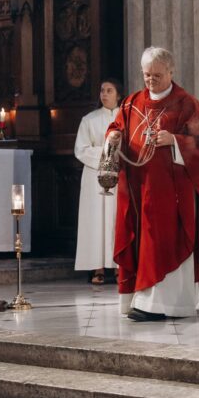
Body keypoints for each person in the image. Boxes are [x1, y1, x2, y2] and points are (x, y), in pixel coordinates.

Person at [106, 47, 199, 321]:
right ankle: (139, 300)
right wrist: (112, 137)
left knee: (162, 243)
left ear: (171, 72)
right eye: (146, 75)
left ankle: (163, 305)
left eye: (157, 75)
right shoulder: (131, 103)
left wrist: (176, 141)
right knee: (140, 243)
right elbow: (117, 127)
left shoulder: (186, 104)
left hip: (172, 193)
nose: (151, 81)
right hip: (137, 189)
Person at [74, 78, 122, 285]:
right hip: (94, 176)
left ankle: (121, 266)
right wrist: (107, 152)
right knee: (95, 222)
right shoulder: (89, 119)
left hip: (120, 175)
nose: (104, 94)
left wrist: (118, 155)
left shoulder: (126, 118)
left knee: (116, 219)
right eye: (102, 90)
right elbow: (81, 149)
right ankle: (98, 268)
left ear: (118, 94)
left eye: (109, 90)